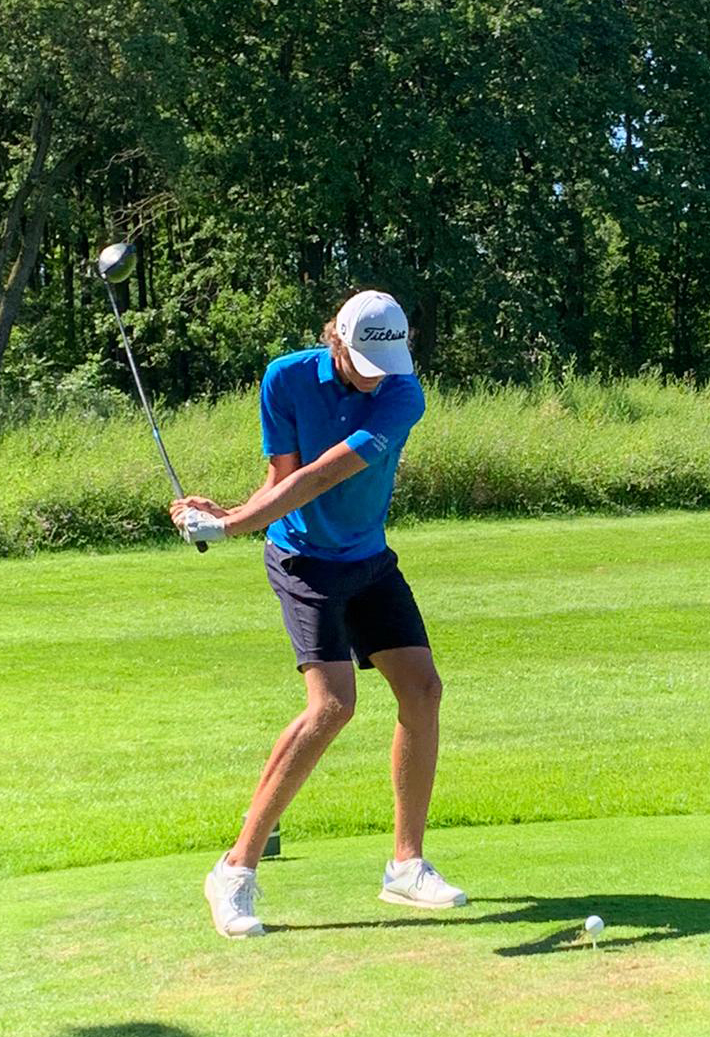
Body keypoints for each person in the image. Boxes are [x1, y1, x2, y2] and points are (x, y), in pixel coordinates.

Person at [171, 289, 465, 940]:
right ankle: (234, 870)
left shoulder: (403, 394)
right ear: (337, 341)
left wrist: (232, 525)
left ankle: (406, 866)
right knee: (332, 705)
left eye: (385, 365)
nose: (375, 377)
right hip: (303, 561)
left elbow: (326, 474)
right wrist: (228, 514)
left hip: (367, 557)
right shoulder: (285, 378)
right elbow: (284, 479)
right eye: (364, 363)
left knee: (423, 689)